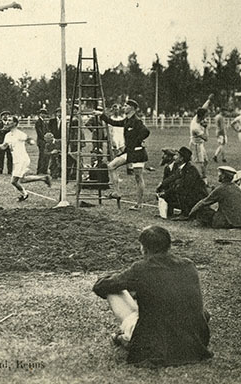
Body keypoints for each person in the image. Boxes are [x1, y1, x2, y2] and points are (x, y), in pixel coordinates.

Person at [92, 226, 212, 367]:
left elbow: (101, 287)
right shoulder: (188, 265)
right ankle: (130, 332)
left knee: (113, 291)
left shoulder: (141, 269)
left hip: (157, 342)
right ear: (169, 245)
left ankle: (127, 336)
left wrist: (108, 278)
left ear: (143, 248)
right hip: (194, 341)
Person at [98, 99, 150, 211]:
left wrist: (139, 141)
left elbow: (146, 132)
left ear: (132, 108)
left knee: (138, 177)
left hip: (138, 152)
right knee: (111, 166)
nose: (124, 107)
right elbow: (114, 123)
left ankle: (139, 204)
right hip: (129, 152)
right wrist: (102, 116)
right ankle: (116, 192)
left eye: (126, 105)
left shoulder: (137, 121)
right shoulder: (127, 120)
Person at [0, 117, 51, 201]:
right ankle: (44, 178)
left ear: (15, 123)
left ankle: (24, 194)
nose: (7, 122)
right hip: (16, 160)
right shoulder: (7, 135)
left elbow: (28, 138)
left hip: (22, 159)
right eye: (7, 121)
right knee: (22, 180)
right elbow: (4, 147)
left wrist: (30, 142)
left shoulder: (19, 133)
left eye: (9, 120)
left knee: (14, 181)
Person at [158, 147, 207, 219]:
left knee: (179, 189)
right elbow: (172, 178)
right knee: (170, 190)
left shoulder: (190, 169)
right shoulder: (181, 168)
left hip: (197, 197)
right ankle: (169, 213)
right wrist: (161, 186)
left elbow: (185, 187)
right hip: (191, 195)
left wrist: (166, 193)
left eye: (177, 155)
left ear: (182, 159)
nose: (175, 157)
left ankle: (185, 214)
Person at [189, 96, 212, 179]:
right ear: (201, 116)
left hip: (200, 144)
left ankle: (200, 176)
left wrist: (208, 100)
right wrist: (206, 128)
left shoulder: (197, 117)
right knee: (200, 163)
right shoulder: (196, 127)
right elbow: (206, 138)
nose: (206, 117)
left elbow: (203, 107)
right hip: (196, 145)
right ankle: (203, 180)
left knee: (206, 161)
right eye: (205, 116)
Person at [34, 108, 48, 175]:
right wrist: (45, 138)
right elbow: (39, 132)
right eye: (42, 113)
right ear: (40, 114)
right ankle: (39, 170)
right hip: (41, 141)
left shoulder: (44, 122)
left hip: (44, 140)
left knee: (45, 155)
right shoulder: (38, 122)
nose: (43, 115)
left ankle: (44, 170)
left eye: (44, 114)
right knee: (42, 155)